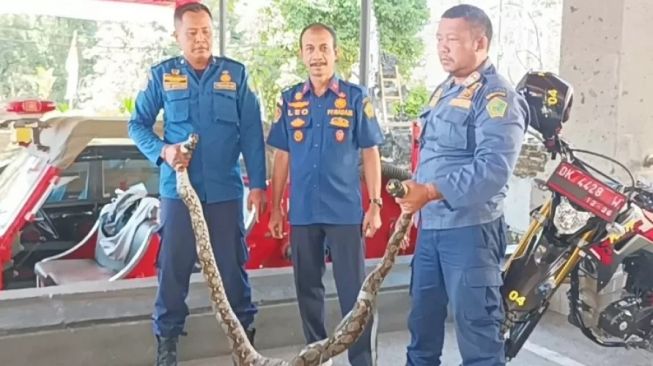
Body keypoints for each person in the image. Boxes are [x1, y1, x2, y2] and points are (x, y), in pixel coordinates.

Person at [127, 1, 266, 365]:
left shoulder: (235, 76)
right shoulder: (162, 76)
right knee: (173, 267)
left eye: (206, 31)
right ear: (177, 36)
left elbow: (252, 133)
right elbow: (137, 125)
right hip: (179, 193)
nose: (201, 39)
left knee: (233, 266)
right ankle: (168, 343)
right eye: (192, 33)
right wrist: (164, 151)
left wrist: (259, 185)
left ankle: (245, 341)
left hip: (224, 191)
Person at [395, 4, 529, 366]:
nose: (442, 47)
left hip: (469, 234)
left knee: (479, 340)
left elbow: (493, 169)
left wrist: (432, 191)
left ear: (480, 42)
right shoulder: (443, 91)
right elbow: (435, 155)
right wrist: (416, 189)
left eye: (452, 40)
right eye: (439, 39)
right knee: (421, 332)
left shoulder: (497, 98)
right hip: (431, 231)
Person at [266, 23, 384, 366]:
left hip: (344, 212)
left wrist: (375, 205)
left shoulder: (356, 97)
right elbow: (282, 156)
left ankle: (361, 360)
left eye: (323, 48)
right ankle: (317, 356)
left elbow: (370, 153)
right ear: (302, 53)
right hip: (303, 213)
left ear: (336, 53)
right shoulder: (289, 100)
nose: (317, 56)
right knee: (308, 291)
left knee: (355, 295)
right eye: (310, 48)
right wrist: (275, 208)